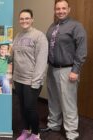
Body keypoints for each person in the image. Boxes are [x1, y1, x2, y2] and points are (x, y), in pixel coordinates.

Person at [41, 0, 87, 140]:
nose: (60, 11)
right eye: (58, 8)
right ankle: (54, 124)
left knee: (68, 102)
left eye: (63, 8)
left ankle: (72, 132)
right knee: (53, 99)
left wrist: (76, 70)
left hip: (68, 70)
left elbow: (82, 50)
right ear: (55, 10)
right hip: (52, 68)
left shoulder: (76, 26)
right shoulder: (53, 26)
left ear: (69, 9)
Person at [12, 9, 48, 140]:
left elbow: (42, 61)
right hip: (18, 78)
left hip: (31, 79)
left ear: (32, 19)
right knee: (22, 107)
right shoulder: (18, 35)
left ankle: (35, 133)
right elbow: (13, 55)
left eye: (27, 18)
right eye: (21, 18)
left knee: (30, 107)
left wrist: (36, 81)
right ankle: (26, 130)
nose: (24, 21)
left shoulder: (39, 36)